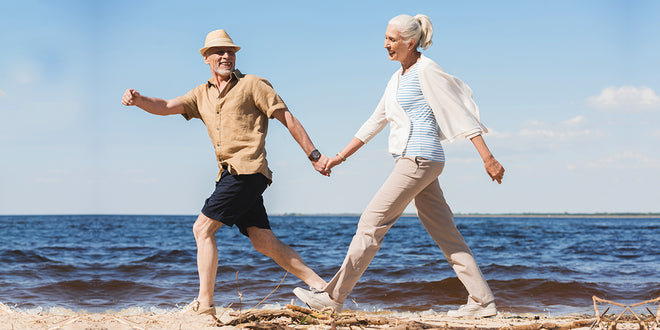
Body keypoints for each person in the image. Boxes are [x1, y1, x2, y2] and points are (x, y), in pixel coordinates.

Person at [293, 14, 505, 318]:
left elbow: (459, 111)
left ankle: (334, 297)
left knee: (370, 224)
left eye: (392, 39)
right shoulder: (397, 78)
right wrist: (338, 157)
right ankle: (483, 302)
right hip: (422, 162)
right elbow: (375, 121)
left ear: (411, 42)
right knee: (446, 234)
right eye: (385, 38)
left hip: (418, 159)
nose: (385, 45)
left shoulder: (426, 70)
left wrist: (487, 156)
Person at [121, 29, 330, 316]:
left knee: (202, 229)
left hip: (248, 171)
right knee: (262, 240)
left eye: (230, 51)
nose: (226, 56)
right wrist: (140, 99)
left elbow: (287, 116)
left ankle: (205, 305)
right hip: (230, 174)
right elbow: (168, 106)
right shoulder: (201, 94)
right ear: (206, 58)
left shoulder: (253, 84)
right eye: (219, 52)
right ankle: (323, 289)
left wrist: (313, 155)